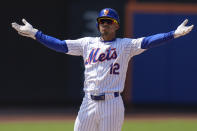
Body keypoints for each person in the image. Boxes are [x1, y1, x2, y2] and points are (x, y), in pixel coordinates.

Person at [12, 8, 193, 131]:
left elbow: (148, 41)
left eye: (109, 21)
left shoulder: (126, 45)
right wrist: (36, 33)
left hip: (112, 103)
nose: (105, 24)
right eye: (102, 21)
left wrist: (174, 34)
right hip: (88, 102)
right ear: (98, 24)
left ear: (116, 25)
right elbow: (60, 46)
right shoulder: (86, 43)